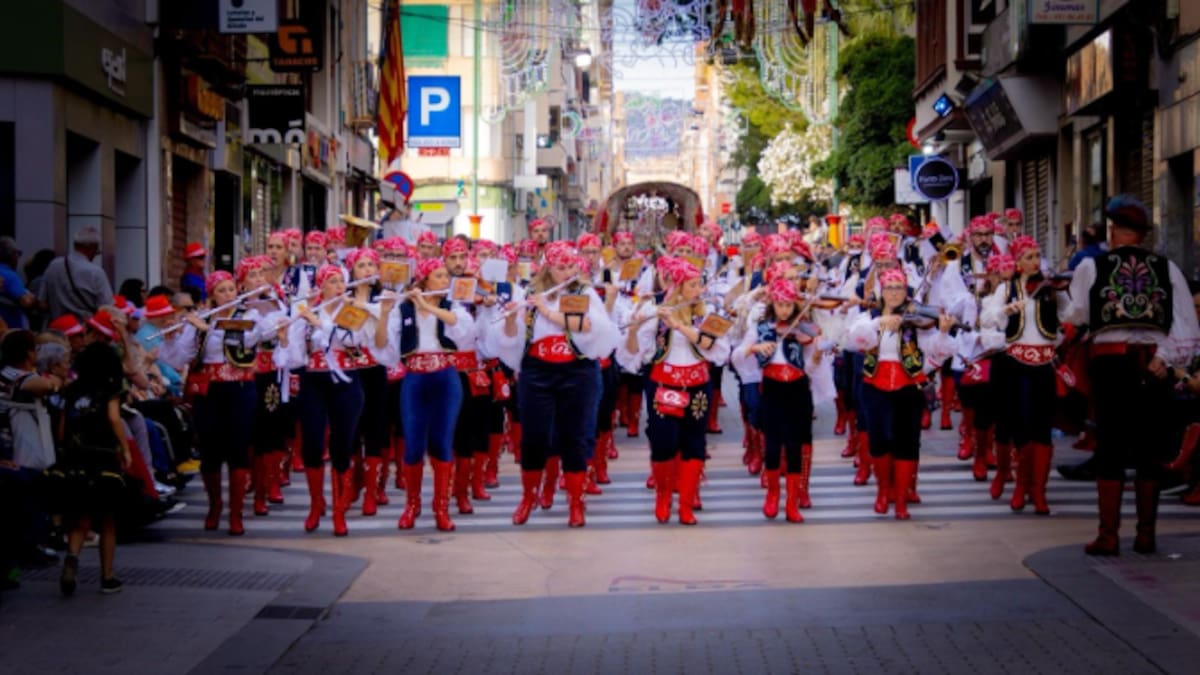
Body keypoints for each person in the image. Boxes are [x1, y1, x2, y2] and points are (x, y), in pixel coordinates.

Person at [1062, 195, 1200, 555]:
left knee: (1110, 446)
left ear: (1112, 231)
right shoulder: (1167, 268)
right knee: (1149, 448)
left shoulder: (1092, 267)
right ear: (1141, 235)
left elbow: (1077, 315)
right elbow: (1186, 323)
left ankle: (1108, 535)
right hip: (1153, 365)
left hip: (1111, 366)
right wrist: (1167, 358)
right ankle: (1145, 534)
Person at [492, 241, 619, 527]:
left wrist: (548, 312)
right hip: (538, 372)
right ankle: (528, 497)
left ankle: (576, 502)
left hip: (577, 370)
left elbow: (587, 326)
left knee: (575, 436)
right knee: (535, 437)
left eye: (571, 266)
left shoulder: (584, 293)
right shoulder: (531, 293)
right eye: (561, 267)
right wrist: (511, 318)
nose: (566, 272)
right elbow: (513, 337)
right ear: (548, 267)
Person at [158, 271, 282, 536]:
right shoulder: (199, 320)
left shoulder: (247, 317)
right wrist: (172, 337)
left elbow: (242, 341)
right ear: (212, 295)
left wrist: (208, 328)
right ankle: (215, 506)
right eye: (221, 291)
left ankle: (236, 514)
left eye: (230, 289)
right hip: (208, 392)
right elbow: (179, 359)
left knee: (238, 448)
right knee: (210, 451)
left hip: (239, 389)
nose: (228, 295)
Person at [619, 256, 730, 525]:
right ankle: (663, 497)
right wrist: (634, 329)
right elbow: (634, 355)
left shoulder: (706, 315)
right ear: (678, 288)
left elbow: (715, 349)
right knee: (663, 443)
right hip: (663, 382)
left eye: (699, 284)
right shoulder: (656, 315)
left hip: (697, 384)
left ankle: (686, 504)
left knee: (694, 443)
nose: (699, 290)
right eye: (692, 285)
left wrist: (680, 326)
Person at [846, 267, 955, 520]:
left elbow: (935, 351)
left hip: (908, 386)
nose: (894, 293)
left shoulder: (916, 319)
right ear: (881, 292)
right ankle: (884, 491)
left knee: (907, 440)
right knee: (880, 440)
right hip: (875, 386)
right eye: (889, 288)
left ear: (906, 291)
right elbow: (853, 340)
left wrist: (943, 331)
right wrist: (878, 323)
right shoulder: (868, 317)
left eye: (899, 288)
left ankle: (902, 497)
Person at [387, 257, 473, 531]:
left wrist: (427, 306)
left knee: (441, 442)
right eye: (438, 276)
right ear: (424, 279)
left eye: (445, 275)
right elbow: (387, 346)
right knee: (412, 444)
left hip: (445, 378)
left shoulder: (451, 305)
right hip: (415, 378)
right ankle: (412, 505)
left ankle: (441, 508)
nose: (445, 281)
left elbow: (463, 332)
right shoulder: (403, 309)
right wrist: (387, 309)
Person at [983, 237, 1066, 513]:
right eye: (1028, 256)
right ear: (1017, 262)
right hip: (1015, 363)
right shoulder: (1006, 289)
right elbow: (987, 318)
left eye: (1037, 256)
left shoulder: (1051, 289)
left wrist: (1064, 327)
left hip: (1043, 364)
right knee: (1018, 426)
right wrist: (1005, 310)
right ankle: (1020, 485)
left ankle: (1038, 490)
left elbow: (1074, 315)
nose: (1035, 261)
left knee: (1042, 427)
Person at [733, 277, 819, 522]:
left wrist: (819, 352)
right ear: (773, 303)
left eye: (789, 305)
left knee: (794, 446)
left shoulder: (803, 328)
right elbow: (737, 354)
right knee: (772, 445)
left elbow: (812, 365)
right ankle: (772, 495)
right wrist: (754, 349)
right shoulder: (761, 328)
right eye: (780, 305)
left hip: (798, 389)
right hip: (771, 388)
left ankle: (792, 503)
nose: (784, 310)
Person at [52, 342, 131, 596]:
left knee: (78, 515)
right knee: (107, 519)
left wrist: (64, 449)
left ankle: (72, 559)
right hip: (103, 456)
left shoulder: (72, 389)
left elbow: (63, 427)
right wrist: (125, 448)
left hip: (76, 457)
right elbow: (113, 418)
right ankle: (107, 577)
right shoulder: (111, 389)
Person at [38, 227, 114, 321]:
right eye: (96, 251)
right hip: (85, 329)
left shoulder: (54, 265)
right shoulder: (96, 272)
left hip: (58, 328)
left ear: (74, 244)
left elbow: (42, 303)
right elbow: (107, 308)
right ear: (92, 247)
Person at [0, 236, 37, 329]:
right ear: (12, 255)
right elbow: (26, 302)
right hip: (11, 327)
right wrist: (32, 297)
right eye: (18, 254)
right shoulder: (9, 275)